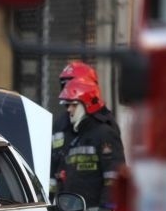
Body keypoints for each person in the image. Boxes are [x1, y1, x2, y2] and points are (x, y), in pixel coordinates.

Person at [51, 61, 121, 195]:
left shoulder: (104, 127)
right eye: (64, 85)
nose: (67, 89)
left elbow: (112, 170)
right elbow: (53, 162)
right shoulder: (61, 123)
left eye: (71, 83)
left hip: (92, 205)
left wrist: (106, 209)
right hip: (66, 202)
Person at [58, 77, 125, 209]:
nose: (69, 109)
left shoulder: (105, 134)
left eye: (73, 105)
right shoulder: (73, 136)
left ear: (86, 104)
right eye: (67, 105)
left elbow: (114, 176)